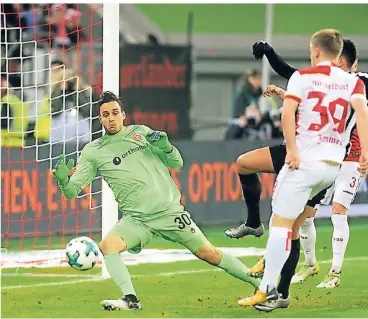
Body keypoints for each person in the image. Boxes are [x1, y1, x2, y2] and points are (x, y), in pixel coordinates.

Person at [52, 91, 259, 311]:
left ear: (123, 114)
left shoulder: (141, 133)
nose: (110, 118)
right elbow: (72, 191)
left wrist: (166, 146)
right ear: (100, 119)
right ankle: (130, 299)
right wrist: (64, 181)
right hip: (137, 220)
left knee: (210, 254)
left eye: (114, 113)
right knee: (108, 246)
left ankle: (260, 285)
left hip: (169, 212)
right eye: (105, 115)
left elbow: (176, 162)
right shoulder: (93, 151)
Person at [237, 28, 368, 308]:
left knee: (280, 226)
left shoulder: (304, 76)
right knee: (298, 224)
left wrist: (293, 152)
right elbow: (362, 114)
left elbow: (287, 112)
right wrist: (366, 152)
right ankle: (287, 284)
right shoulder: (353, 84)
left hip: (304, 162)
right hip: (333, 167)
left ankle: (268, 288)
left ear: (317, 52)